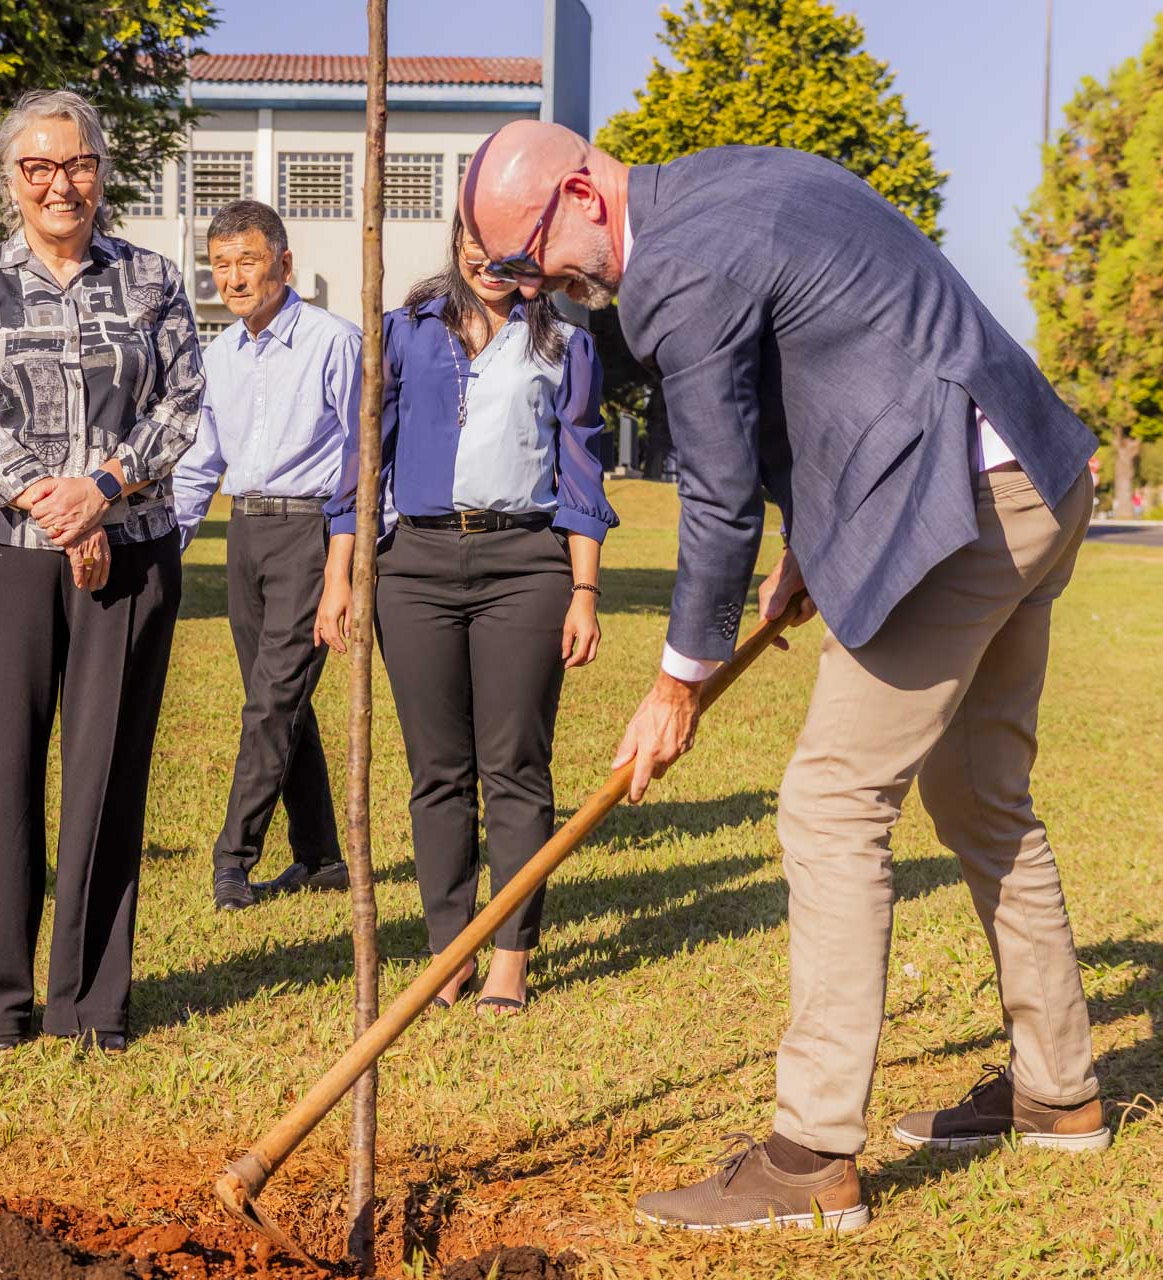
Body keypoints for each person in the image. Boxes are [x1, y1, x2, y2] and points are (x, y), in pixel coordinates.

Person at [463, 120, 1105, 1231]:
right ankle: (1059, 1089)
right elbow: (839, 355)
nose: (538, 290)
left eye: (528, 260)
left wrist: (676, 678)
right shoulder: (739, 178)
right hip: (1035, 475)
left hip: (962, 511)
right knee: (981, 794)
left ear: (576, 192)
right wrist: (813, 542)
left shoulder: (673, 268)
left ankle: (809, 1156)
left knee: (830, 801)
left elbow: (715, 489)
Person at [0, 90, 203, 1056]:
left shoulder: (154, 280)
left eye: (77, 162)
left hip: (130, 555)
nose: (60, 182)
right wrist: (53, 501)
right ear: (9, 179)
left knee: (108, 773)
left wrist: (104, 489)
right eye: (38, 166)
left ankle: (91, 1002)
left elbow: (181, 409)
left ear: (102, 169)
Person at [316, 215, 616, 1016]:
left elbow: (582, 472)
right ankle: (450, 947)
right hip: (413, 567)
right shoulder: (402, 333)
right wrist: (339, 578)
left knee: (515, 766)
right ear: (455, 244)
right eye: (477, 245)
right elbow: (361, 461)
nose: (490, 262)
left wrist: (584, 593)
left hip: (525, 567)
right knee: (436, 770)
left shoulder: (565, 347)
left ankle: (509, 956)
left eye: (511, 249)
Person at [174, 201, 360, 912]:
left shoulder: (332, 342)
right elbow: (199, 464)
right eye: (221, 265)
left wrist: (355, 562)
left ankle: (232, 860)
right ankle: (318, 858)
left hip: (311, 533)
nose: (234, 277)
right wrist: (172, 545)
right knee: (283, 701)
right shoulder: (218, 355)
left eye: (248, 261)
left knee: (270, 702)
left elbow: (363, 455)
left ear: (284, 262)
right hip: (244, 535)